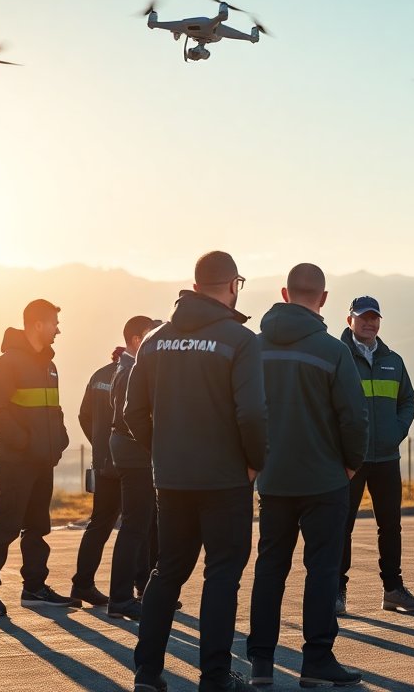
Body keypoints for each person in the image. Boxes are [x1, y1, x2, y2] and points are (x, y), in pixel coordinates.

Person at [126, 251, 267, 692]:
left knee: (167, 571)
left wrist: (162, 452)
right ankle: (215, 678)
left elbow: (133, 412)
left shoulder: (153, 341)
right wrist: (253, 463)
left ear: (194, 283)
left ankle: (147, 673)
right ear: (233, 286)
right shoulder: (240, 340)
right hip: (225, 480)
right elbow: (252, 414)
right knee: (222, 575)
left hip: (171, 479)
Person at [248, 264, 369, 688]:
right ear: (323, 298)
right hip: (324, 480)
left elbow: (239, 412)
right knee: (321, 570)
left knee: (269, 568)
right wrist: (351, 464)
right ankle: (316, 660)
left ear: (284, 293)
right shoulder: (332, 350)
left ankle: (261, 663)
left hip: (273, 479)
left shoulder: (254, 347)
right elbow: (354, 416)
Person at [0, 299, 72, 616]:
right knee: (7, 524)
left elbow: (53, 409)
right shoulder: (7, 364)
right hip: (15, 461)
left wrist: (59, 440)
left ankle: (34, 589)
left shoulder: (49, 366)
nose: (58, 329)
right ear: (38, 325)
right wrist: (26, 442)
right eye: (54, 323)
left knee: (37, 526)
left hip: (43, 460)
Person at [337, 296, 414, 615]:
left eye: (374, 318)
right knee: (341, 525)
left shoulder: (394, 361)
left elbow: (408, 401)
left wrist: (395, 432)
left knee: (390, 526)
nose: (369, 323)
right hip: (349, 459)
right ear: (350, 321)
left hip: (386, 458)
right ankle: (337, 592)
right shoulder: (337, 357)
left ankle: (393, 590)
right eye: (363, 318)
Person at [107, 315, 165, 620]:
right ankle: (119, 598)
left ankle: (143, 589)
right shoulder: (130, 369)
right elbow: (130, 417)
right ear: (135, 341)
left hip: (133, 451)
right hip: (135, 453)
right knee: (133, 527)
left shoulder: (129, 366)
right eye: (149, 335)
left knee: (142, 525)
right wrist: (155, 444)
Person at [69, 344, 128, 609]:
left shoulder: (98, 376)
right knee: (139, 525)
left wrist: (99, 443)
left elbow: (84, 416)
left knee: (100, 524)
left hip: (104, 461)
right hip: (130, 461)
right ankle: (135, 589)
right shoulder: (134, 372)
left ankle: (82, 584)